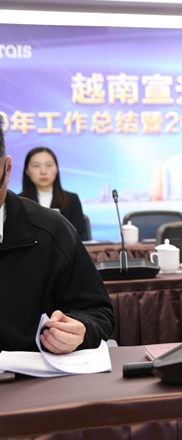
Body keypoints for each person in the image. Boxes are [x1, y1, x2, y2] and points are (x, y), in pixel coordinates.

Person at [0, 124, 114, 353]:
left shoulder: (53, 231)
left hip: (28, 371)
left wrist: (80, 329)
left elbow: (98, 313)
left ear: (7, 169)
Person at [20, 147, 89, 241]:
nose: (43, 172)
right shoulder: (18, 201)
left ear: (56, 168)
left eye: (49, 165)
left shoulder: (72, 199)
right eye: (36, 166)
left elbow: (79, 238)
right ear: (27, 170)